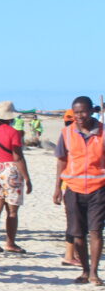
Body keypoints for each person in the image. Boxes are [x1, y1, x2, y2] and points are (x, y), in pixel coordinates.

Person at [53, 96, 105, 285]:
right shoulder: (67, 133)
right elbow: (61, 160)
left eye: (83, 111)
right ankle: (84, 270)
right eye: (76, 112)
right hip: (73, 189)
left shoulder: (102, 132)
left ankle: (93, 272)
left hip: (98, 188)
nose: (80, 116)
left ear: (92, 111)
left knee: (96, 231)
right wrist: (57, 188)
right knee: (77, 234)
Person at [0, 101, 32, 254]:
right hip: (10, 170)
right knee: (12, 211)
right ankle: (10, 242)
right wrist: (27, 178)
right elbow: (18, 157)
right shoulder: (13, 132)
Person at [60, 109, 81, 267]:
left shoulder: (66, 134)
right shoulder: (73, 135)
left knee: (73, 221)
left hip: (66, 182)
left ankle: (70, 253)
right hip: (74, 183)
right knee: (78, 222)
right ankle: (72, 254)